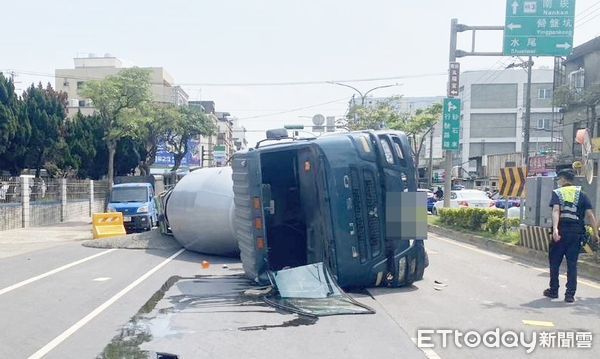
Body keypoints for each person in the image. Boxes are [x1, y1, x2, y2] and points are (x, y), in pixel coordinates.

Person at [544, 169, 599, 303]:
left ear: (563, 179)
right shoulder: (582, 194)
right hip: (576, 233)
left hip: (561, 232)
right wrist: (595, 233)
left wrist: (556, 229)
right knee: (572, 264)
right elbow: (590, 215)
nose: (558, 181)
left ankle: (554, 290)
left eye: (559, 179)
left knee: (555, 263)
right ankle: (570, 295)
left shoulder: (557, 193)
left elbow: (556, 210)